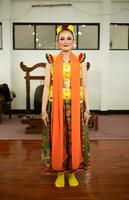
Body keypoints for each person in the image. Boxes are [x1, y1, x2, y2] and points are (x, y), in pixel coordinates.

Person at [41, 24, 90, 187]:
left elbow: (85, 86)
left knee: (74, 138)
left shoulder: (81, 59)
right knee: (58, 139)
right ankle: (60, 172)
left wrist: (88, 109)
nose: (66, 41)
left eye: (69, 38)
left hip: (76, 105)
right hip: (56, 105)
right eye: (62, 39)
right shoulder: (51, 60)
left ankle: (72, 172)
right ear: (57, 43)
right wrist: (43, 111)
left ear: (74, 42)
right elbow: (47, 86)